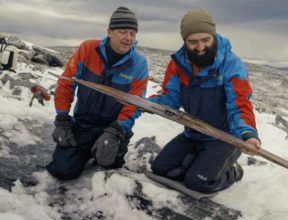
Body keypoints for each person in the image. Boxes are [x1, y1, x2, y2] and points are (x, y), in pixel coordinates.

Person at [149, 9, 261, 193]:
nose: (200, 47)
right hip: (193, 134)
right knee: (161, 169)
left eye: (205, 40)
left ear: (214, 37)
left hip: (224, 138)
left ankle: (233, 172)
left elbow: (240, 104)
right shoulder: (179, 64)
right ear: (184, 41)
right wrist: (147, 103)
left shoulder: (232, 65)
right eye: (193, 42)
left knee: (199, 183)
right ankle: (198, 160)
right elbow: (171, 97)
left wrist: (247, 134)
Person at [46, 6, 148, 180]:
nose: (128, 38)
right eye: (123, 32)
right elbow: (66, 83)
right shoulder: (88, 49)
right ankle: (86, 150)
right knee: (62, 171)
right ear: (109, 32)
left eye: (132, 33)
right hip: (83, 124)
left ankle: (112, 147)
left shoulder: (138, 63)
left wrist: (116, 130)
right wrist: (62, 119)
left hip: (111, 127)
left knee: (107, 164)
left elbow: (135, 103)